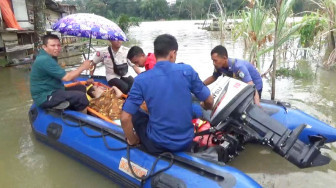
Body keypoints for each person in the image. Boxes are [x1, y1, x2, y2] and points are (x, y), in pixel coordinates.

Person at [120, 34, 214, 154]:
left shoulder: (141, 80)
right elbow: (209, 100)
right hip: (186, 141)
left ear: (155, 53)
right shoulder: (187, 71)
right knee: (192, 108)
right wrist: (206, 106)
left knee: (137, 114)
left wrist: (133, 140)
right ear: (172, 53)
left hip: (157, 144)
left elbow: (124, 118)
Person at [30, 34, 92, 112]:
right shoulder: (45, 59)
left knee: (81, 87)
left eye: (58, 45)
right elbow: (66, 78)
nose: (57, 48)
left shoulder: (50, 57)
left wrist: (73, 78)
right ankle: (82, 119)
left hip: (53, 90)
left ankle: (71, 107)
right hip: (45, 96)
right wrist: (83, 67)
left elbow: (58, 73)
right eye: (53, 45)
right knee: (81, 97)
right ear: (44, 47)